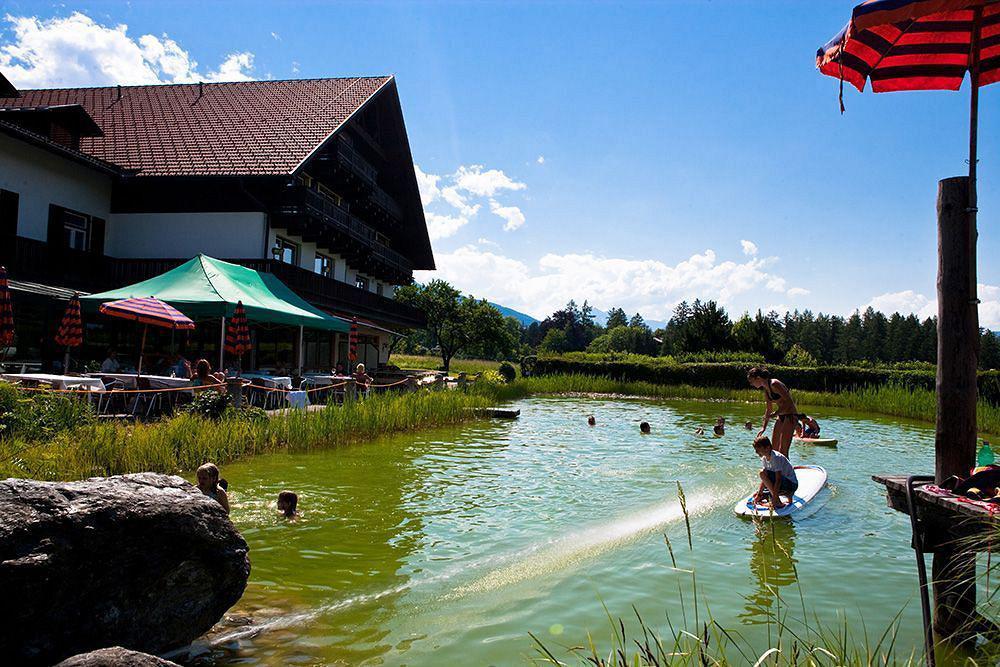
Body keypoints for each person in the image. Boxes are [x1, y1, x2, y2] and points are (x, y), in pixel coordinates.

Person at [747, 366, 799, 457]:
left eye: (752, 381)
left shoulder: (774, 384)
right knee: (773, 449)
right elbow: (769, 409)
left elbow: (789, 402)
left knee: (783, 450)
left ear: (758, 378)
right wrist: (763, 427)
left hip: (790, 416)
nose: (751, 384)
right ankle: (774, 470)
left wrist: (775, 413)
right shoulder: (766, 390)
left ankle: (786, 470)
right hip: (781, 416)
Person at [752, 434, 798, 510]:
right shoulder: (764, 458)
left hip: (791, 485)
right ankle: (776, 498)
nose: (756, 452)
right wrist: (759, 494)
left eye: (758, 449)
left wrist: (774, 498)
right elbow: (765, 479)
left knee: (762, 472)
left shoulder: (776, 457)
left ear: (767, 448)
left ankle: (777, 501)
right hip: (783, 486)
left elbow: (778, 480)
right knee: (757, 495)